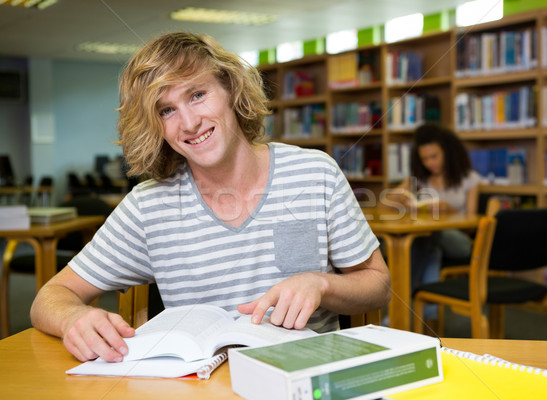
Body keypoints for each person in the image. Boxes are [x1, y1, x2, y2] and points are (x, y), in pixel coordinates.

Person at [30, 32, 391, 363]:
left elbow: (379, 285)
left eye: (197, 95)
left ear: (231, 90)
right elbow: (51, 296)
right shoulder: (148, 206)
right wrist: (74, 317)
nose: (188, 123)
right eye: (166, 110)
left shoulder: (315, 173)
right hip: (199, 386)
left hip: (302, 378)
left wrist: (322, 284)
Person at [384, 123, 480, 301]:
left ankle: (399, 301)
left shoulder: (469, 179)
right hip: (429, 240)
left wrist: (449, 210)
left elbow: (472, 227)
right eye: (424, 159)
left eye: (434, 156)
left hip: (460, 243)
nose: (430, 163)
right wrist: (401, 197)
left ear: (447, 151)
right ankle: (429, 318)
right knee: (431, 249)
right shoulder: (420, 179)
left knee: (427, 237)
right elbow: (385, 204)